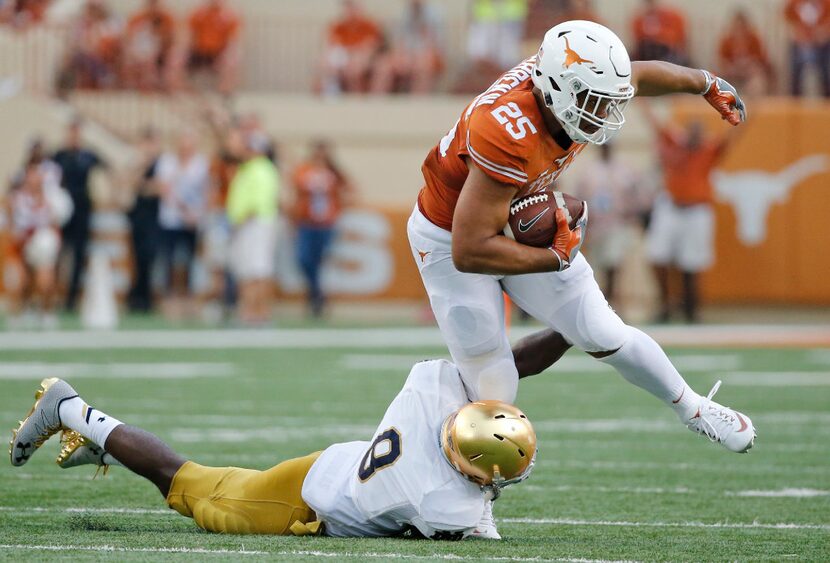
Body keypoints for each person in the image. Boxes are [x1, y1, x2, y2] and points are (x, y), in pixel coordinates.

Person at [409, 20, 755, 469]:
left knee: (604, 331)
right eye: (594, 101)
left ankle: (692, 407)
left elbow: (639, 76)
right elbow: (469, 249)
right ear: (556, 89)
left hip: (516, 214)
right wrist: (552, 257)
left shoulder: (572, 79)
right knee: (494, 387)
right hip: (447, 236)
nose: (604, 111)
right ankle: (476, 504)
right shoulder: (507, 129)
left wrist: (706, 83)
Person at [8, 327, 571, 539]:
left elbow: (512, 362)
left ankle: (97, 442)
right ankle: (74, 409)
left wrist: (573, 330)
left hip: (342, 462)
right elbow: (470, 526)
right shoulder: (438, 502)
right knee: (185, 485)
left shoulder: (435, 390)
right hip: (305, 501)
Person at [644, 109, 736, 324]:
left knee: (692, 263)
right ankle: (666, 303)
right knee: (657, 255)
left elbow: (733, 134)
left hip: (697, 210)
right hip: (671, 205)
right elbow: (653, 120)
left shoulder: (708, 149)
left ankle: (690, 308)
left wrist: (751, 103)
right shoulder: (675, 144)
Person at [2, 161, 72, 329]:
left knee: (44, 279)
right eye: (31, 174)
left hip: (41, 244)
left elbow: (57, 222)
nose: (34, 178)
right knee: (18, 280)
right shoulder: (16, 199)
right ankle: (18, 313)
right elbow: (8, 225)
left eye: (37, 174)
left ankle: (46, 312)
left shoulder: (53, 198)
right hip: (20, 245)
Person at [571, 143, 642, 309]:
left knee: (614, 262)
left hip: (616, 223)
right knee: (598, 265)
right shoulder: (589, 171)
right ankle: (599, 302)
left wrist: (631, 212)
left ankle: (611, 302)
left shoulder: (624, 169)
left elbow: (634, 194)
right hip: (596, 225)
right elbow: (580, 196)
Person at [289, 141, 355, 318]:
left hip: (326, 223)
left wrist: (338, 209)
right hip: (307, 222)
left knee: (320, 261)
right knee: (304, 259)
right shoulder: (304, 170)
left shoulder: (333, 172)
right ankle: (317, 293)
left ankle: (316, 299)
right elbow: (296, 189)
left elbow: (349, 189)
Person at [52, 118, 108, 312]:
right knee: (57, 254)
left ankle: (71, 299)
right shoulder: (58, 156)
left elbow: (106, 167)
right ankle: (53, 295)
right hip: (62, 211)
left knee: (78, 254)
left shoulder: (87, 155)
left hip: (82, 210)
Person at [226, 132, 279, 325]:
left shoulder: (261, 170)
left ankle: (255, 313)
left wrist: (240, 222)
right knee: (249, 270)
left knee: (256, 271)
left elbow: (257, 204)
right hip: (250, 224)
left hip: (254, 225)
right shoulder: (250, 169)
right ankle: (251, 313)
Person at [155, 131, 209, 311]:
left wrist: (196, 214)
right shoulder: (168, 162)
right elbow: (165, 188)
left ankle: (188, 295)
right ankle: (169, 296)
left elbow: (206, 191)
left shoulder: (201, 164)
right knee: (168, 258)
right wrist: (182, 210)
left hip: (193, 219)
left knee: (190, 259)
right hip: (171, 218)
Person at [370, 0, 444, 94]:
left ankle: (417, 105)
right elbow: (397, 44)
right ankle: (377, 104)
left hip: (426, 57)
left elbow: (436, 48)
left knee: (422, 65)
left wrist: (415, 59)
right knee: (383, 66)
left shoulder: (435, 14)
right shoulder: (402, 13)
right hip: (406, 56)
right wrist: (402, 58)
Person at [125, 128, 162, 313]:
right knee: (137, 258)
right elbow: (130, 182)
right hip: (138, 215)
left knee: (150, 257)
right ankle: (136, 297)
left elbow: (159, 187)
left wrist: (144, 186)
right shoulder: (138, 163)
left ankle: (147, 298)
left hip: (154, 216)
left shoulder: (163, 163)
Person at [318, 0, 384, 95]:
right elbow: (333, 46)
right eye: (348, 7)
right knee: (325, 63)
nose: (351, 10)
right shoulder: (338, 27)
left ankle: (356, 99)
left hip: (363, 59)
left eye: (354, 7)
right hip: (343, 58)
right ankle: (331, 92)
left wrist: (354, 54)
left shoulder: (370, 26)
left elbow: (370, 48)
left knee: (355, 66)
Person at [183, 0, 241, 95]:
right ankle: (187, 96)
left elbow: (233, 42)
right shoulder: (199, 14)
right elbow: (189, 37)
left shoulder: (229, 16)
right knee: (178, 60)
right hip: (199, 52)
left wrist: (225, 56)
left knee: (231, 61)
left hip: (219, 53)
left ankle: (224, 95)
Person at [718, 10, 774, 97]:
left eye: (742, 27)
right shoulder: (727, 41)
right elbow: (722, 62)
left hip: (749, 74)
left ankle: (752, 107)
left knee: (758, 82)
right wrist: (731, 68)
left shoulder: (754, 39)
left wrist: (749, 65)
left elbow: (761, 62)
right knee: (718, 81)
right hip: (732, 74)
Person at [122, 0, 176, 91]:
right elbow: (128, 39)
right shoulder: (137, 19)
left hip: (160, 52)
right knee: (132, 61)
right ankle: (135, 87)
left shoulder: (165, 19)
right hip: (139, 52)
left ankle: (156, 86)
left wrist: (159, 34)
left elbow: (171, 40)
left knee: (152, 62)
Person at [784, 0, 830, 97]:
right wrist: (797, 32)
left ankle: (827, 97)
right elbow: (787, 19)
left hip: (822, 45)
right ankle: (795, 98)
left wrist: (822, 32)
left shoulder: (826, 3)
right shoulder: (795, 2)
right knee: (795, 55)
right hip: (801, 44)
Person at [630, 0, 688, 65]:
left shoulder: (673, 17)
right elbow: (638, 43)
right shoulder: (639, 20)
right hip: (646, 55)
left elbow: (680, 41)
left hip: (668, 54)